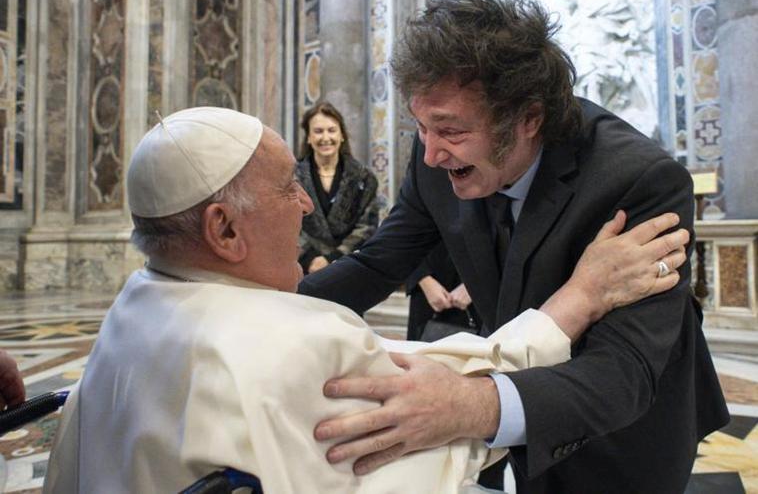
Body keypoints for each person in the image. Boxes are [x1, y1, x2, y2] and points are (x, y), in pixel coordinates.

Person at [43, 107, 686, 494]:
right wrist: (580, 295)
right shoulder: (300, 341)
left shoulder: (132, 306)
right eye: (286, 188)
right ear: (224, 229)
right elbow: (454, 399)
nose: (303, 204)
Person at [300, 0, 729, 493]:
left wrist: (470, 405)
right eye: (420, 128)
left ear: (528, 119)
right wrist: (259, 306)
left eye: (450, 132)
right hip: (520, 422)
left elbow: (623, 371)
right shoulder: (436, 156)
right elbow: (377, 266)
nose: (432, 154)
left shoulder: (637, 181)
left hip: (626, 433)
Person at [297, 101, 379, 274]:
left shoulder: (364, 179)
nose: (325, 137)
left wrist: (333, 258)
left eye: (332, 130)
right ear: (309, 137)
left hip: (348, 269)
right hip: (302, 269)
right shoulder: (291, 178)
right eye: (318, 131)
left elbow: (367, 227)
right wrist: (309, 258)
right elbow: (285, 222)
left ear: (342, 135)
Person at [405, 242, 475, 341]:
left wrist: (476, 282)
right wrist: (423, 279)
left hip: (484, 285)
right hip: (428, 284)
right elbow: (403, 238)